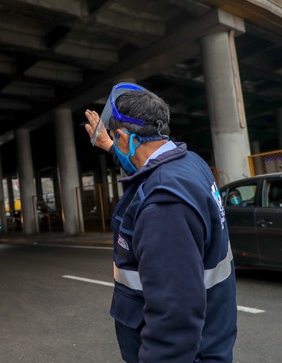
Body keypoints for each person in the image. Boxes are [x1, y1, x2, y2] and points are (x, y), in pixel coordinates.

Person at [84, 82, 237, 362]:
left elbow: (174, 315)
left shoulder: (163, 204)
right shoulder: (191, 163)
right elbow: (146, 162)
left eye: (117, 141)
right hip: (213, 336)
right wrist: (111, 146)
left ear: (125, 137)